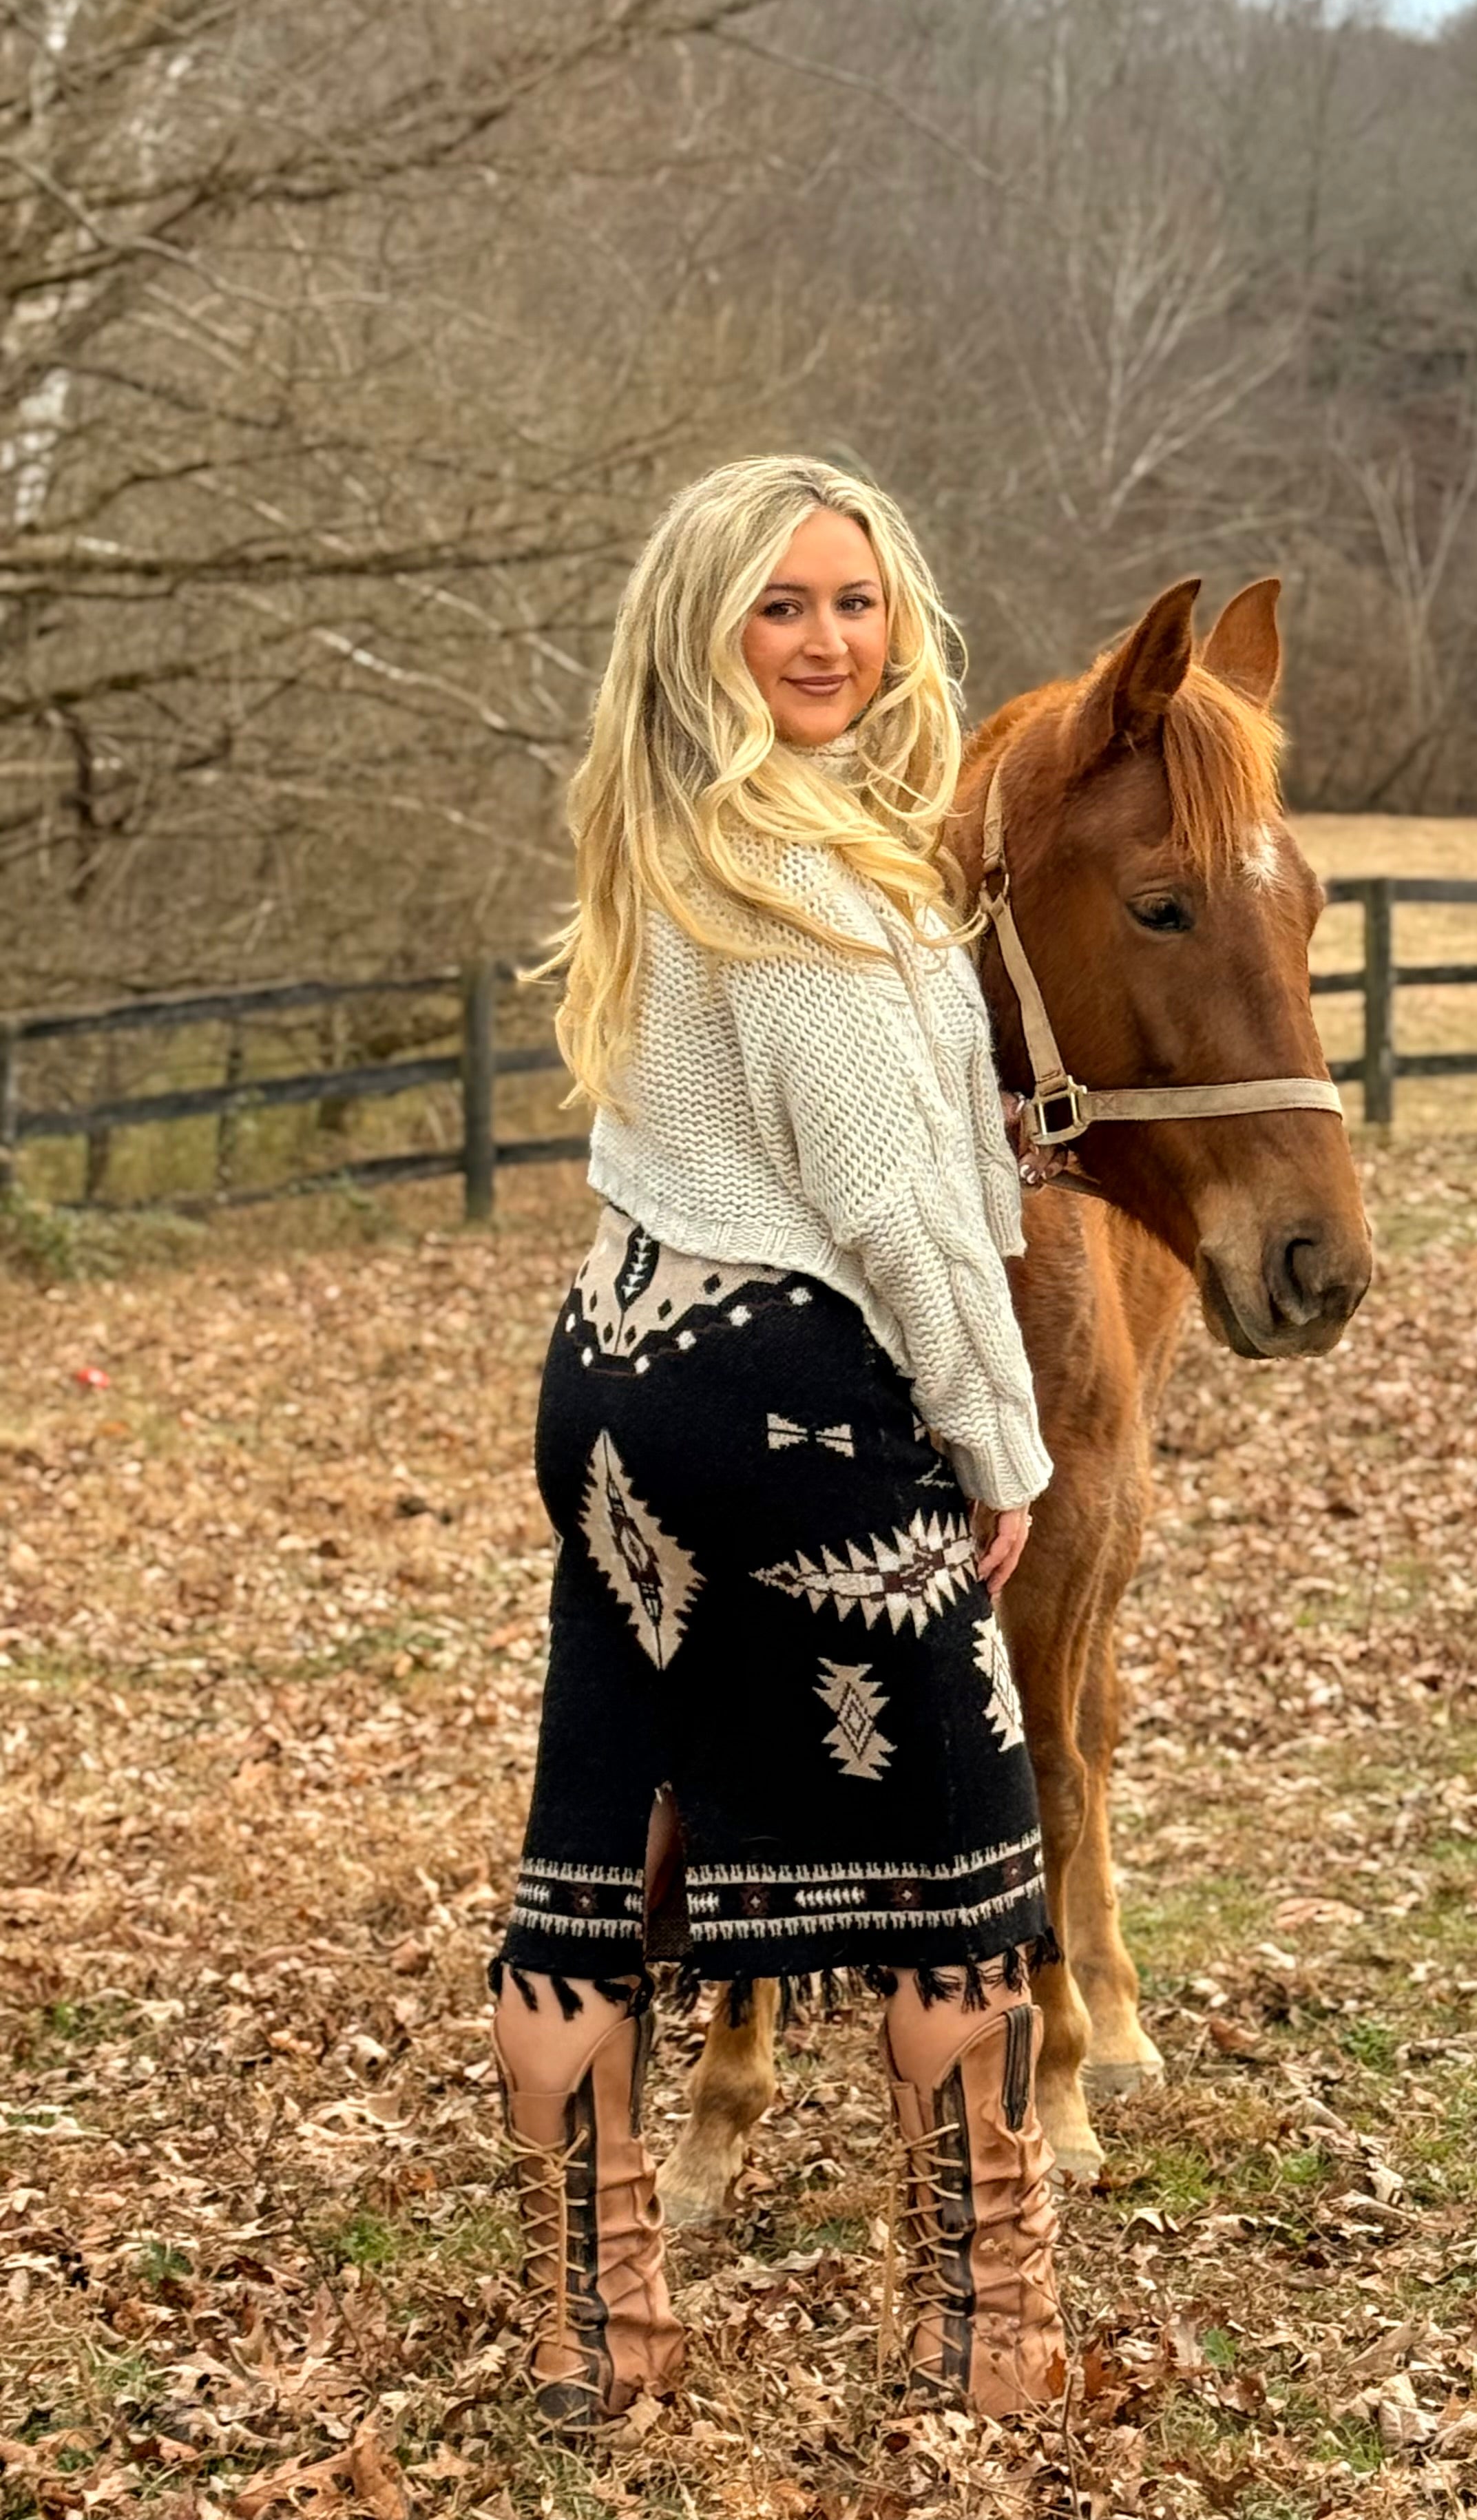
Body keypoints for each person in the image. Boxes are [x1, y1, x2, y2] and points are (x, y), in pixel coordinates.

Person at [489, 455, 1065, 2433]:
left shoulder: (665, 831)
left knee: (594, 1845)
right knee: (964, 1858)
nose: (829, 641)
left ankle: (599, 2345)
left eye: (856, 600)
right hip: (791, 1392)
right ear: (705, 627)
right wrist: (1001, 1440)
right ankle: (986, 2333)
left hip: (616, 1368)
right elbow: (899, 1203)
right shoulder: (812, 872)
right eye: (780, 605)